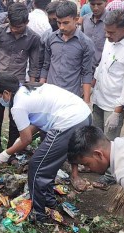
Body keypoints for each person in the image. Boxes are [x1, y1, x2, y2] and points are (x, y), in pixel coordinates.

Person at [0, 72, 92, 223]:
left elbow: (26, 139)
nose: (0, 100)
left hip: (69, 123)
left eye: (0, 96)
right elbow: (38, 121)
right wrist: (21, 137)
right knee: (49, 163)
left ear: (7, 93)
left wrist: (6, 153)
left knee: (36, 166)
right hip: (83, 116)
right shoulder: (28, 88)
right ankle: (49, 201)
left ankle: (37, 214)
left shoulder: (18, 105)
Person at [40, 0, 95, 191]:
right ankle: (46, 170)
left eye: (66, 23)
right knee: (46, 132)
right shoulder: (50, 39)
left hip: (71, 98)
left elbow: (87, 73)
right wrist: (41, 90)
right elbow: (45, 66)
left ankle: (74, 174)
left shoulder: (85, 44)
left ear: (76, 20)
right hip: (50, 97)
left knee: (72, 137)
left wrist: (86, 101)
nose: (61, 27)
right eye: (58, 23)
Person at [0, 3, 41, 164]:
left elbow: (34, 67)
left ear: (26, 22)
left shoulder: (33, 38)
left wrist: (31, 89)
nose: (14, 29)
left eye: (18, 27)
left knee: (15, 122)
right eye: (12, 26)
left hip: (17, 88)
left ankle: (11, 154)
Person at [89, 9, 124, 189]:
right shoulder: (111, 39)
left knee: (110, 142)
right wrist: (93, 83)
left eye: (111, 32)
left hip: (115, 103)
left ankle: (111, 174)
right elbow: (103, 64)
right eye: (106, 31)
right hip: (100, 96)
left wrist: (117, 112)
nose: (107, 35)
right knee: (96, 136)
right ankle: (96, 165)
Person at [81, 0, 108, 68]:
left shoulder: (112, 21)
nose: (95, 8)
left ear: (106, 3)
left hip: (104, 68)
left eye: (99, 4)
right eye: (93, 4)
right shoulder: (85, 19)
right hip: (86, 67)